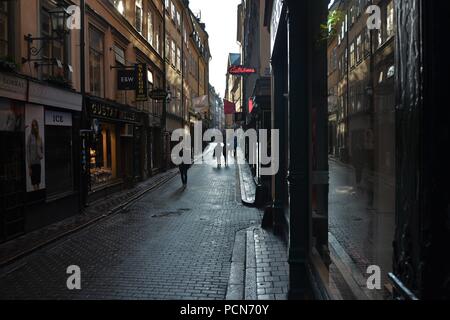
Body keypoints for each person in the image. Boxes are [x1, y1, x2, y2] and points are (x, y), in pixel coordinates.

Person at [27, 119, 44, 191]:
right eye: (33, 125)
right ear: (32, 127)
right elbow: (28, 152)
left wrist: (40, 155)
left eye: (35, 125)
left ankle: (39, 199)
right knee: (34, 184)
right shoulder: (30, 137)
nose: (34, 127)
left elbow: (42, 150)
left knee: (38, 183)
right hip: (32, 164)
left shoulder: (39, 138)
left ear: (37, 126)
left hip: (38, 164)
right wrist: (29, 166)